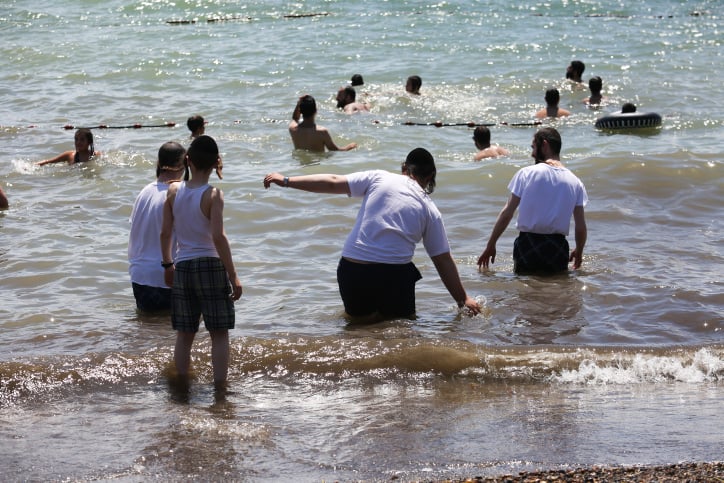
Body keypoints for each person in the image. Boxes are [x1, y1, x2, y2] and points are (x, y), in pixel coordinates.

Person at [263, 147, 482, 320]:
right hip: (392, 277)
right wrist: (463, 299)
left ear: (404, 167)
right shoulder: (430, 208)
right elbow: (442, 259)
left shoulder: (378, 177)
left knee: (358, 330)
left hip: (352, 271)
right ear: (431, 176)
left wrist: (286, 181)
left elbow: (332, 182)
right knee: (399, 332)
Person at [160, 135, 243, 388]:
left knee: (185, 334)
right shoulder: (213, 194)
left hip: (183, 265)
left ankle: (182, 384)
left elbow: (165, 232)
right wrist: (233, 276)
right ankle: (220, 387)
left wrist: (167, 263)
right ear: (217, 162)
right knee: (218, 333)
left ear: (188, 160)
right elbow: (218, 237)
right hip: (210, 265)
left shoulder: (173, 191)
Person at [477, 127, 587, 275]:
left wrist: (491, 244)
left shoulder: (527, 173)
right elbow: (580, 226)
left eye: (534, 147)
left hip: (528, 245)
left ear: (545, 145)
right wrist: (579, 251)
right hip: (558, 247)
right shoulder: (575, 182)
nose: (532, 153)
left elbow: (507, 213)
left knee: (525, 293)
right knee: (557, 293)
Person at [128, 142, 187, 312]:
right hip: (166, 275)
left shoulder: (144, 191)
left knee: (149, 329)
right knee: (176, 332)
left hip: (139, 274)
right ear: (181, 164)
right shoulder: (178, 193)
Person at [288, 95, 357, 152]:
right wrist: (349, 147)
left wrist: (298, 103)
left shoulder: (293, 129)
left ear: (300, 111)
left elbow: (295, 118)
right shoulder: (322, 132)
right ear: (316, 110)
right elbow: (334, 150)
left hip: (301, 166)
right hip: (317, 165)